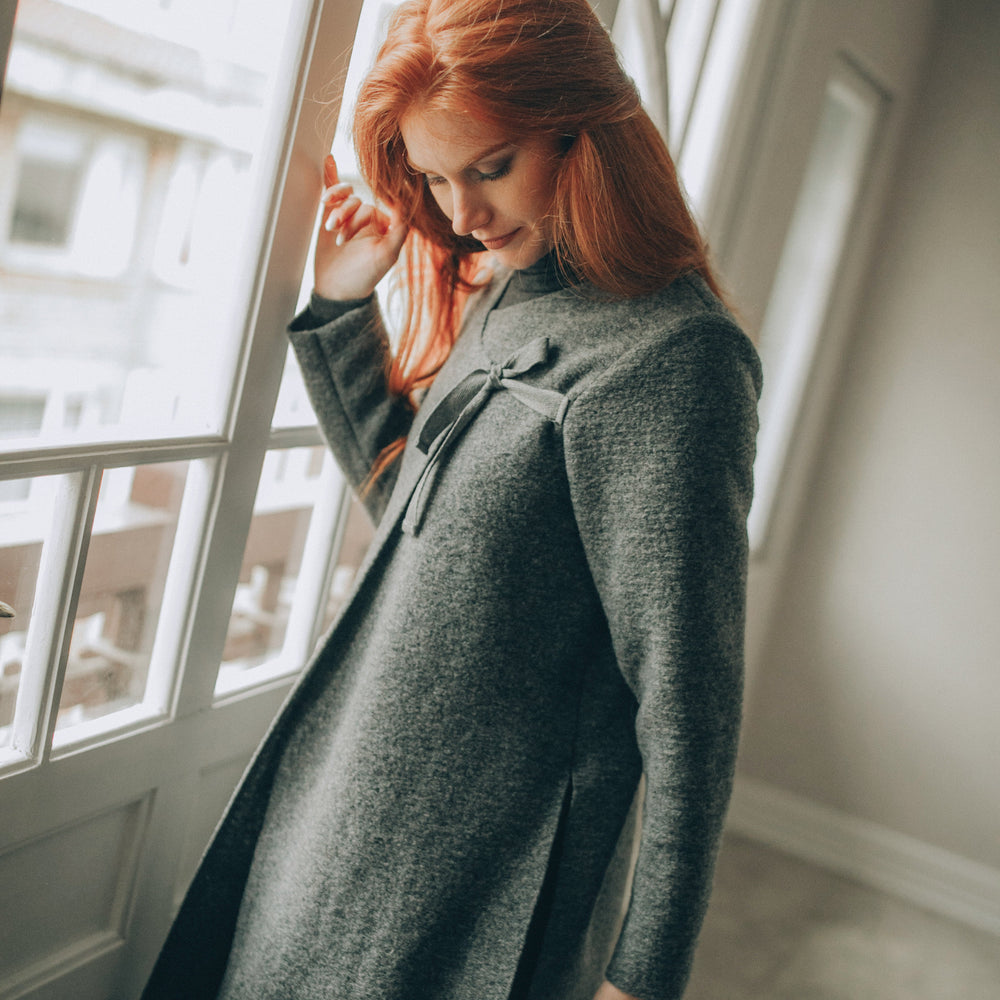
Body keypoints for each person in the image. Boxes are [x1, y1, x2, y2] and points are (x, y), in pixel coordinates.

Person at [141, 0, 761, 997]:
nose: (461, 214)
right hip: (348, 792)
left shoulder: (676, 361)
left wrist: (644, 973)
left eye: (489, 165)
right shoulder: (510, 291)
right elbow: (417, 521)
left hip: (483, 875)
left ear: (586, 129)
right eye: (433, 177)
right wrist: (346, 304)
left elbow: (690, 704)